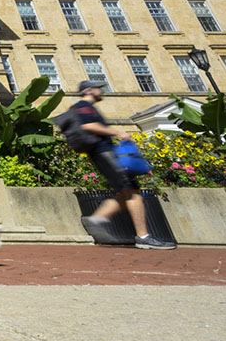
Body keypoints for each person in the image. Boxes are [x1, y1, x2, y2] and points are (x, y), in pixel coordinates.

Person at [75, 80, 175, 249]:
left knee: (124, 193)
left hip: (105, 153)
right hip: (103, 154)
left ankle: (96, 219)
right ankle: (143, 236)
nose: (102, 91)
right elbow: (87, 125)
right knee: (132, 193)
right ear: (89, 91)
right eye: (98, 89)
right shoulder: (83, 106)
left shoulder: (89, 107)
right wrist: (118, 132)